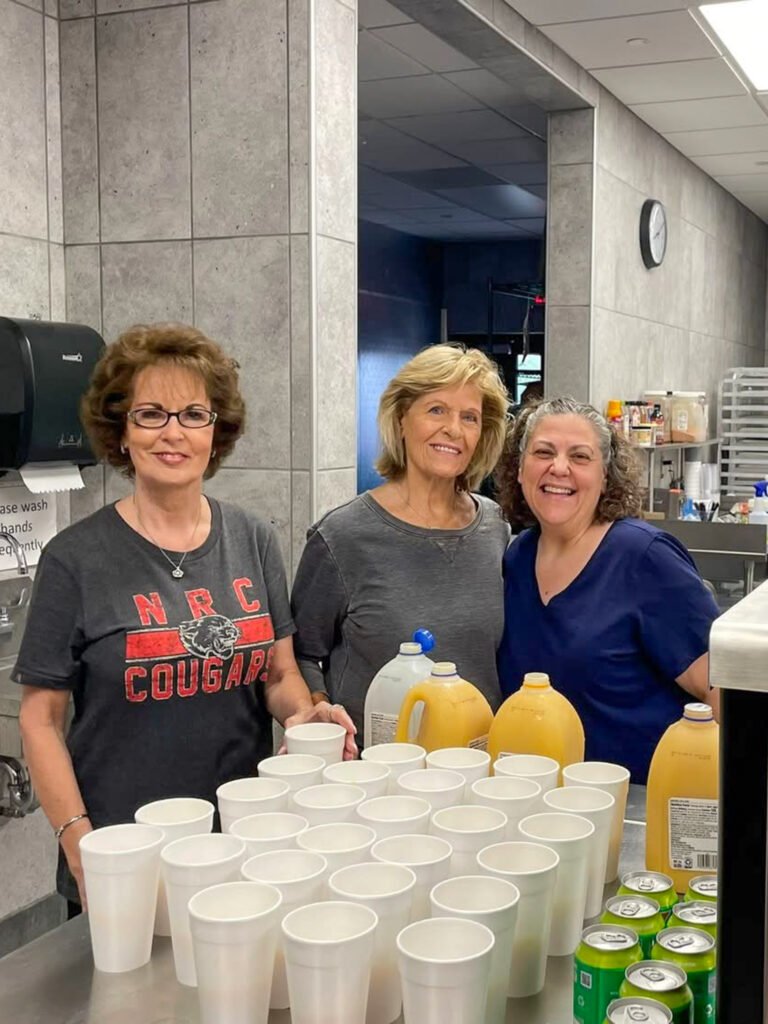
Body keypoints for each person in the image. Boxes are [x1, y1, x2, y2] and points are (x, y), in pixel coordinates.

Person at [14, 322, 355, 911]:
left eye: (193, 414)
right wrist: (78, 841)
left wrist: (306, 715)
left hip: (241, 843)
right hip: (122, 853)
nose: (173, 433)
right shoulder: (74, 560)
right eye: (150, 413)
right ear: (121, 432)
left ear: (215, 432)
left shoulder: (251, 538)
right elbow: (40, 720)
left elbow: (277, 676)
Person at [291, 344, 511, 742]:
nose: (454, 429)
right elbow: (302, 653)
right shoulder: (342, 536)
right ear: (401, 419)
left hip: (476, 774)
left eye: (470, 417)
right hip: (375, 778)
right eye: (436, 410)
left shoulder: (495, 528)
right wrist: (316, 706)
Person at [495, 396, 719, 783]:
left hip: (639, 805)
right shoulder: (517, 557)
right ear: (519, 469)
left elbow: (720, 689)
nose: (558, 468)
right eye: (543, 452)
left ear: (605, 476)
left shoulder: (644, 558)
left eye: (580, 457)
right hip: (539, 798)